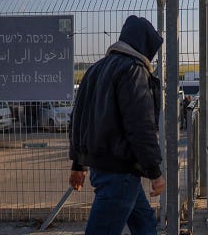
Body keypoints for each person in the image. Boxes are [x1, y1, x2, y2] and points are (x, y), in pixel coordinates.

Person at [69, 15, 166, 235]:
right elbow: (141, 127)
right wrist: (155, 172)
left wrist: (78, 164)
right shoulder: (133, 70)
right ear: (144, 44)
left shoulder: (95, 69)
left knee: (145, 223)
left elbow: (78, 119)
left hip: (104, 168)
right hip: (121, 171)